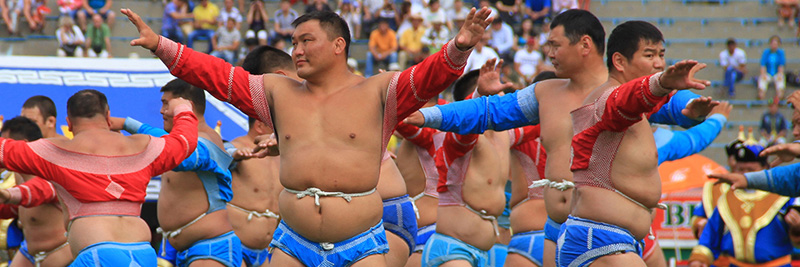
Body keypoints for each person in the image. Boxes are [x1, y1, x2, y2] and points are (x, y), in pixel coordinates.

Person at [123, 6, 492, 267]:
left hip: (362, 244)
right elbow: (218, 76)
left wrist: (459, 47)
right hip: (293, 244)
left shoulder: (379, 92)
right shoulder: (277, 93)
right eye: (293, 42)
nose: (296, 50)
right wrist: (161, 44)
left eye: (306, 41)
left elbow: (428, 76)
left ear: (338, 45)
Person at [406, 16, 714, 267]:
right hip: (574, 232)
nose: (549, 52)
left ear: (584, 45)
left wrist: (693, 113)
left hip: (607, 231)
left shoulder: (627, 93)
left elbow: (670, 103)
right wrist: (430, 116)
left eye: (555, 44)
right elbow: (490, 112)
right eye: (651, 56)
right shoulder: (551, 94)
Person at [0, 89, 198, 266]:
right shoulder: (145, 146)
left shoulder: (54, 152)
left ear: (68, 124)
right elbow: (185, 142)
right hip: (142, 254)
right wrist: (182, 108)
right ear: (108, 117)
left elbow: (3, 150)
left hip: (97, 255)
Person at [112, 79, 240, 267]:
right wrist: (125, 123)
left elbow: (181, 155)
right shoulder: (180, 140)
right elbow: (166, 139)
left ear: (187, 106)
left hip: (211, 249)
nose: (162, 111)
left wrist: (131, 131)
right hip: (187, 251)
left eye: (166, 104)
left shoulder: (207, 140)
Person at [421, 64, 538, 267]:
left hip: (483, 253)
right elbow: (465, 124)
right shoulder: (461, 141)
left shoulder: (505, 135)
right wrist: (478, 94)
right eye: (495, 93)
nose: (504, 99)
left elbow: (540, 121)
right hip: (454, 251)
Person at [226, 46, 293, 267]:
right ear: (260, 122)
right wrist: (234, 156)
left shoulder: (283, 151)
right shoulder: (236, 147)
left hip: (270, 250)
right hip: (234, 247)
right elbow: (219, 156)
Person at [690, 139, 800, 267]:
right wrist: (699, 260)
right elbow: (709, 239)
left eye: (751, 170)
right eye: (740, 170)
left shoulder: (785, 196)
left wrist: (797, 228)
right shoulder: (726, 199)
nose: (745, 175)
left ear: (766, 168)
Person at [0, 117, 72, 267]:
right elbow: (12, 207)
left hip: (62, 253)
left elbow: (40, 190)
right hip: (29, 253)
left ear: (23, 146)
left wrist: (8, 195)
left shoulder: (51, 171)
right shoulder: (19, 178)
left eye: (5, 145)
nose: (2, 152)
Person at [393, 107, 444, 267]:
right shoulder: (441, 128)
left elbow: (401, 122)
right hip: (416, 231)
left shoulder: (430, 132)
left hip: (428, 232)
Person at [758, 35, 786, 100]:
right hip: (767, 73)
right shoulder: (766, 52)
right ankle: (761, 96)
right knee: (762, 80)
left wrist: (780, 74)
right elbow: (763, 65)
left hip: (776, 73)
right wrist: (763, 74)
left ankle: (779, 97)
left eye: (776, 44)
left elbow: (781, 65)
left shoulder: (780, 53)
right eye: (773, 44)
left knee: (780, 81)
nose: (774, 45)